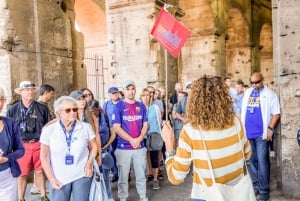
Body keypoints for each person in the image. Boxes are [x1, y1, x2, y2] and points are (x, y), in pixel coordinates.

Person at [161, 75, 252, 201]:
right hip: (238, 193)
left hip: (206, 194)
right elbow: (247, 154)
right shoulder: (236, 122)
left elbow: (176, 177)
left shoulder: (191, 131)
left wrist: (169, 146)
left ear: (195, 101)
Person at [40, 96, 98, 201]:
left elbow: (94, 146)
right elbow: (44, 156)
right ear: (58, 113)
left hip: (82, 174)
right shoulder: (49, 130)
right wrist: (51, 179)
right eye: (68, 110)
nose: (73, 112)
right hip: (59, 176)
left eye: (75, 109)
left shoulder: (85, 127)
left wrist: (89, 162)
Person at [7, 81, 51, 201]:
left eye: (32, 90)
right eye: (27, 90)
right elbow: (8, 129)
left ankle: (43, 195)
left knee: (40, 170)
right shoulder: (13, 109)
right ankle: (21, 198)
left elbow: (48, 126)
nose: (30, 92)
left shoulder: (42, 108)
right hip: (21, 145)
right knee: (22, 173)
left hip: (39, 143)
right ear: (21, 92)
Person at [241, 72, 280, 201]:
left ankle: (264, 191)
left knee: (263, 161)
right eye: (252, 82)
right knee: (252, 161)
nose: (254, 85)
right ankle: (256, 186)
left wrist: (270, 129)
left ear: (262, 80)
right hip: (248, 134)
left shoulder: (270, 94)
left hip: (261, 135)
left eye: (257, 82)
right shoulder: (247, 93)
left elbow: (276, 114)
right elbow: (243, 112)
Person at [112, 80, 148, 201]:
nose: (131, 91)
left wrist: (139, 138)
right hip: (123, 148)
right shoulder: (118, 107)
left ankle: (143, 196)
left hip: (140, 146)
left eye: (133, 88)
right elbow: (116, 127)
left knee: (141, 174)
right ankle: (123, 198)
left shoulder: (141, 106)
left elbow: (145, 124)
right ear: (123, 90)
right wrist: (131, 140)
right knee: (123, 176)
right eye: (128, 89)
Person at [88, 99, 116, 201]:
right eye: (90, 112)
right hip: (91, 152)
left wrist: (107, 145)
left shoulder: (105, 117)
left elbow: (113, 133)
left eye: (93, 111)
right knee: (92, 176)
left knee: (105, 175)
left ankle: (108, 196)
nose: (92, 114)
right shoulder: (86, 120)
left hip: (105, 150)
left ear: (97, 109)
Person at [0, 87, 25, 201]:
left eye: (2, 99)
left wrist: (7, 158)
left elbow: (20, 150)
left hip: (7, 177)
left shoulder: (10, 123)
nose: (0, 104)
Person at [31, 84, 55, 195]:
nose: (52, 96)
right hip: (43, 138)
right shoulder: (41, 106)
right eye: (51, 93)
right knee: (41, 163)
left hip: (42, 137)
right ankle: (39, 187)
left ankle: (36, 186)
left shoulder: (43, 105)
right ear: (45, 93)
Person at [69, 90, 102, 164]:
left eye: (83, 99)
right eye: (79, 99)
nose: (82, 101)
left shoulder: (91, 115)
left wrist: (99, 154)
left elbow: (97, 134)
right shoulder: (69, 116)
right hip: (76, 153)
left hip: (91, 151)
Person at [140, 88, 162, 190]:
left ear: (150, 97)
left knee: (154, 157)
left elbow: (159, 121)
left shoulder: (155, 107)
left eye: (147, 95)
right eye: (143, 95)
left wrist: (160, 134)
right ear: (141, 97)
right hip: (143, 136)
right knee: (146, 156)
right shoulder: (138, 108)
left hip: (154, 134)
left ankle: (155, 179)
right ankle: (150, 173)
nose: (146, 97)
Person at [103, 86, 121, 183]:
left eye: (116, 93)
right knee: (112, 152)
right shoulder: (106, 105)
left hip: (122, 131)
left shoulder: (123, 103)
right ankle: (115, 173)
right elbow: (104, 117)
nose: (115, 95)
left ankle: (125, 174)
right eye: (113, 93)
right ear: (109, 95)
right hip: (111, 131)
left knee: (122, 153)